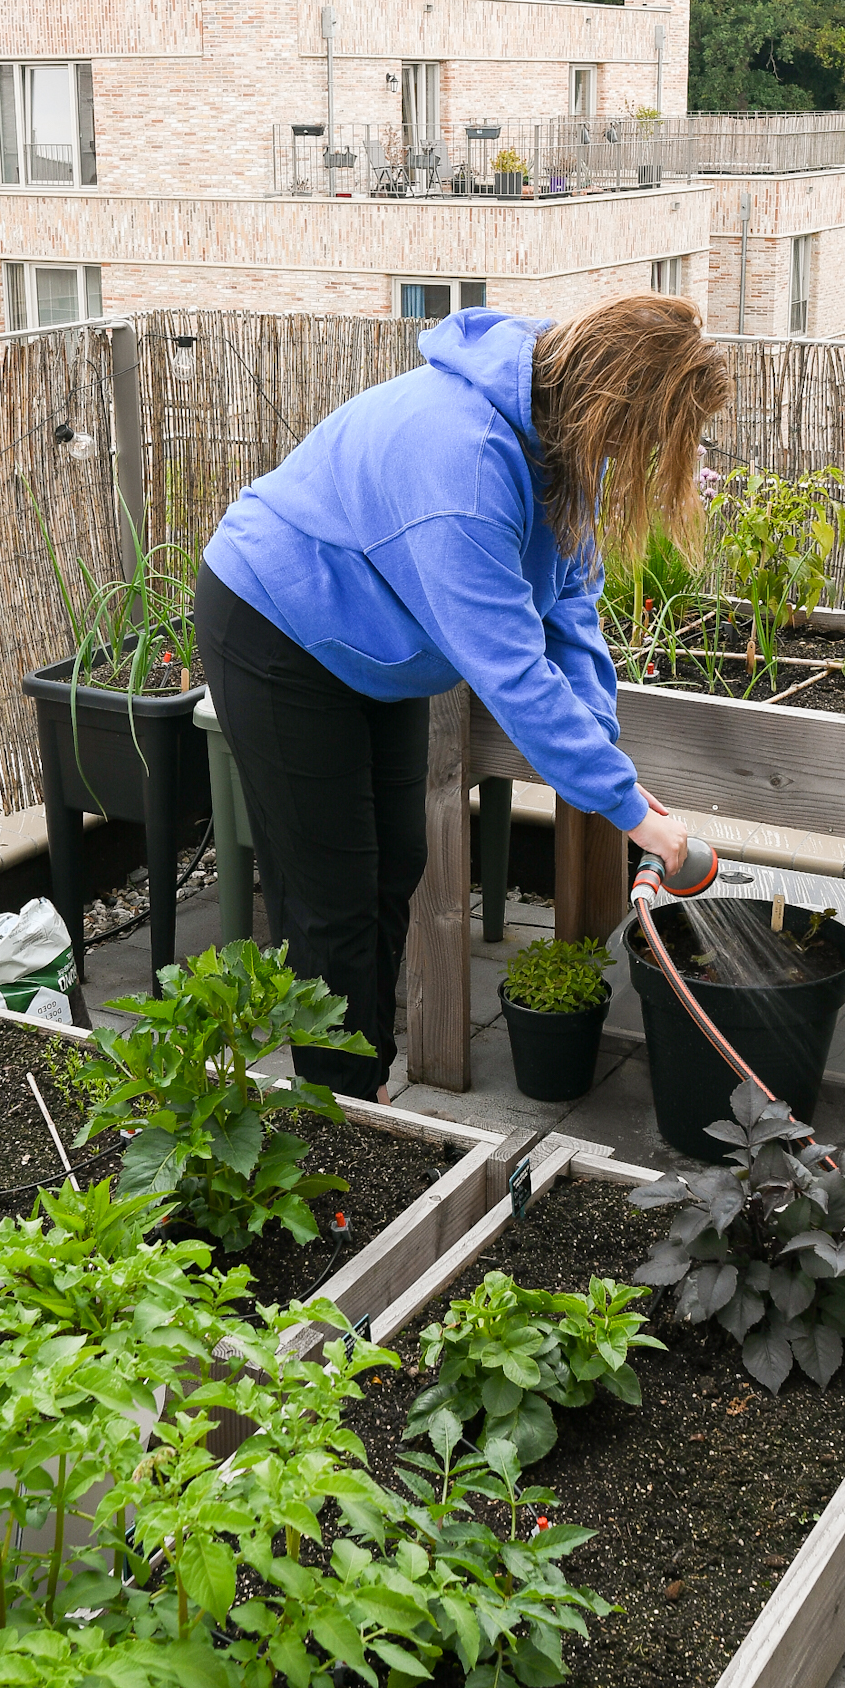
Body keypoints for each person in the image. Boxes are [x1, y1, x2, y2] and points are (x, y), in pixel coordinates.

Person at [195, 293, 729, 1102]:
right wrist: (640, 817)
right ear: (614, 409)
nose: (653, 462)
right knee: (331, 899)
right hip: (279, 623)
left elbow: (568, 603)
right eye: (653, 440)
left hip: (370, 643)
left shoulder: (558, 431)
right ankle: (343, 1115)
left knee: (396, 861)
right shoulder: (466, 463)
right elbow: (510, 670)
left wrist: (600, 743)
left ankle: (361, 1084)